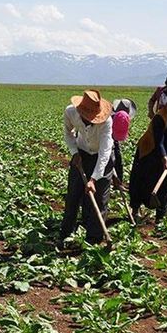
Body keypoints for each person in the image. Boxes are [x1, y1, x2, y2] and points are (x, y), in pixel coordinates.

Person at [60, 90, 114, 246]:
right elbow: (68, 133)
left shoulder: (107, 122)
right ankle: (65, 234)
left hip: (101, 159)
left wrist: (93, 179)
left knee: (99, 199)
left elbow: (105, 152)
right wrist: (74, 152)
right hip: (82, 154)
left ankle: (94, 240)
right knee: (73, 195)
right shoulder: (70, 112)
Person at [130, 83, 167, 226]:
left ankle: (161, 218)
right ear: (165, 102)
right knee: (143, 181)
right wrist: (164, 158)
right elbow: (159, 141)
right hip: (151, 152)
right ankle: (135, 210)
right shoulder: (159, 117)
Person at [110, 98, 137, 189]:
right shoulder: (108, 118)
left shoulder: (122, 118)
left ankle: (118, 183)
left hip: (114, 137)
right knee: (109, 160)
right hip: (104, 137)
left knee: (118, 159)